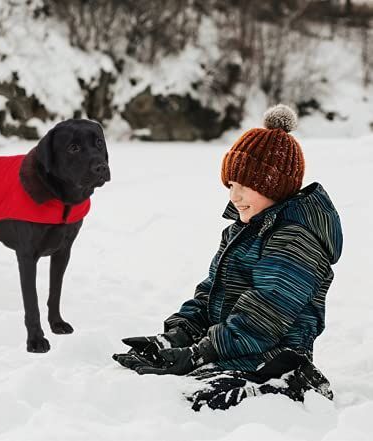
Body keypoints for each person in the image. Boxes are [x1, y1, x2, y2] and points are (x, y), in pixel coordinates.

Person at [112, 104, 343, 411]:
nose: (234, 196)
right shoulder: (243, 231)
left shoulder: (295, 239)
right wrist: (179, 334)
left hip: (270, 354)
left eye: (245, 187)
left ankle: (294, 381)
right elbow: (212, 292)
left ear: (273, 186)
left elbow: (265, 315)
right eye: (231, 185)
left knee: (202, 402)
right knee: (166, 389)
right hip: (231, 347)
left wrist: (200, 353)